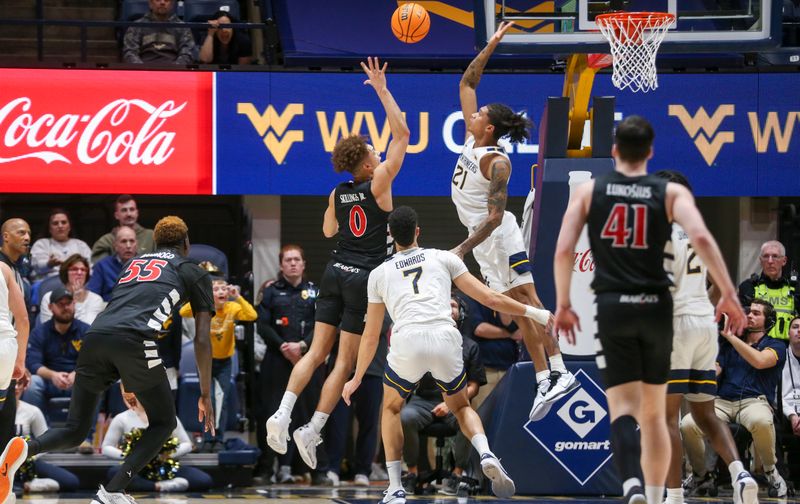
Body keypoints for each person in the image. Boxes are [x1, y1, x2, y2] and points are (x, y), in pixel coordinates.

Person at [552, 115, 746, 504]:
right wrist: (728, 293)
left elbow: (563, 250)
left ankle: (639, 489)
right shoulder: (670, 197)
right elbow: (704, 238)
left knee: (628, 410)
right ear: (651, 152)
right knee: (667, 416)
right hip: (669, 314)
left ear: (614, 151)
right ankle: (680, 489)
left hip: (617, 308)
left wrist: (563, 304)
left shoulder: (590, 191)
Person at [343, 206, 555, 504]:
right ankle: (485, 452)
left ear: (389, 235)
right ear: (418, 231)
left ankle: (394, 488)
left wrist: (356, 377)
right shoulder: (444, 257)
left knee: (391, 408)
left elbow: (370, 334)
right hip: (445, 337)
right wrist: (537, 312)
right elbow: (489, 297)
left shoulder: (378, 274)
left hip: (408, 340)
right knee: (461, 406)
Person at [0, 215, 216, 504]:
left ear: (154, 242)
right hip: (135, 341)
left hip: (95, 338)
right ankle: (113, 491)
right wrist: (205, 394)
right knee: (164, 422)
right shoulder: (193, 270)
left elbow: (124, 312)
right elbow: (202, 339)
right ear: (186, 243)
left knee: (75, 429)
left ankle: (24, 448)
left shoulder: (133, 265)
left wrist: (128, 377)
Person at [265, 56, 410, 471]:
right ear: (367, 164)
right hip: (364, 278)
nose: (378, 152)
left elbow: (329, 232)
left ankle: (282, 414)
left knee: (315, 353)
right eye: (373, 152)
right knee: (344, 362)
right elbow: (402, 133)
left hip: (334, 271)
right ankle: (312, 428)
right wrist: (382, 89)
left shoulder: (337, 191)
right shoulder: (380, 180)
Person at [450, 21, 576, 421]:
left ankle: (559, 370)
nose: (471, 114)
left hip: (496, 236)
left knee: (528, 302)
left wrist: (462, 249)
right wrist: (493, 44)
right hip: (483, 241)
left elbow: (494, 217)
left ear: (487, 128)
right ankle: (545, 379)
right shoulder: (474, 141)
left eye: (479, 115)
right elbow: (467, 84)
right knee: (519, 309)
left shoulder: (496, 162)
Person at [655, 170, 757, 504]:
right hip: (703, 329)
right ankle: (740, 473)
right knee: (705, 415)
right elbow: (718, 283)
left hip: (675, 327)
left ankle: (673, 496)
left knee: (667, 417)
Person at [680, 299, 788, 498]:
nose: (749, 316)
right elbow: (716, 370)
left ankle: (772, 472)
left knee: (761, 421)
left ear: (769, 320)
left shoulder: (776, 345)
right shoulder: (727, 344)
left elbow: (760, 361)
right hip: (721, 401)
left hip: (754, 401)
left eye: (756, 313)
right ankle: (701, 475)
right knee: (687, 424)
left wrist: (730, 337)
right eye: (748, 312)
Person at [255, 244, 327, 484]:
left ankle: (319, 471)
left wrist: (303, 346)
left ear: (304, 264)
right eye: (288, 260)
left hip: (308, 360)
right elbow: (262, 325)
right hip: (277, 360)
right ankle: (267, 469)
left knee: (314, 413)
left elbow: (323, 324)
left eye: (297, 259)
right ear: (281, 265)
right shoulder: (271, 292)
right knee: (271, 414)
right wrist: (283, 347)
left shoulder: (316, 292)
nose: (293, 263)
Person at [400, 296, 486, 495]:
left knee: (468, 418)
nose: (449, 309)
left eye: (453, 306)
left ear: (461, 313)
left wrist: (451, 404)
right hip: (423, 400)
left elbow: (473, 386)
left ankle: (456, 475)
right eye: (444, 305)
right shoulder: (423, 341)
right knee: (406, 417)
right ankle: (412, 474)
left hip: (456, 400)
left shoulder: (471, 346)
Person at [180, 276, 256, 452]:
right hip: (205, 361)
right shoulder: (203, 308)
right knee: (208, 399)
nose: (221, 292)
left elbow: (252, 315)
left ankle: (218, 439)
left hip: (224, 362)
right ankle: (207, 439)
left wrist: (238, 297)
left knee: (222, 399)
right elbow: (183, 312)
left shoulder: (233, 307)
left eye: (223, 288)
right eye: (215, 289)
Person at [24, 286, 95, 454]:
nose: (65, 307)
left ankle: (87, 438)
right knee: (33, 383)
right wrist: (53, 375)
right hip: (50, 381)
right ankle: (43, 438)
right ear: (50, 307)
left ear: (74, 304)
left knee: (96, 381)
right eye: (60, 304)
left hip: (79, 381)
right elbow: (33, 363)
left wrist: (76, 374)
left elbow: (93, 361)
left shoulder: (86, 330)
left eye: (68, 303)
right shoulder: (39, 332)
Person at [102, 392, 213, 492]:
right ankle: (158, 486)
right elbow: (106, 447)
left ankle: (157, 484)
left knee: (204, 480)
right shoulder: (121, 418)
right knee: (114, 473)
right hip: (136, 469)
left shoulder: (168, 416)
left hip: (165, 467)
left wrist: (167, 455)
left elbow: (187, 444)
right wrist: (129, 456)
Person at [0, 218, 32, 477]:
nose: (26, 236)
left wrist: (22, 361)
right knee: (4, 418)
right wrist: (19, 359)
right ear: (5, 236)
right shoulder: (5, 269)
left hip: (9, 349)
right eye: (20, 232)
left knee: (5, 419)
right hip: (7, 349)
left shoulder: (17, 271)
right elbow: (22, 320)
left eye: (29, 233)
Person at [14, 374, 80, 494]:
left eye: (20, 383)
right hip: (2, 462)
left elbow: (46, 442)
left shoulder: (32, 411)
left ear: (25, 385)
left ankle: (27, 486)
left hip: (26, 462)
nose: (16, 388)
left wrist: (29, 456)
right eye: (13, 384)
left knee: (71, 481)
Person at [738, 240, 800, 341]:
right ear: (760, 260)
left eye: (775, 256)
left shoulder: (796, 288)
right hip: (757, 347)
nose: (770, 261)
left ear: (784, 261)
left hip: (789, 349)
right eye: (766, 256)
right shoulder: (748, 287)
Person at [122, 0, 196, 65]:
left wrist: (173, 70)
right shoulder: (136, 26)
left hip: (174, 72)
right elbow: (130, 53)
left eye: (166, 0)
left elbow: (187, 54)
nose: (162, 2)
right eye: (158, 0)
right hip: (144, 71)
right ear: (150, 3)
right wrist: (143, 70)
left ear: (172, 4)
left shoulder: (182, 27)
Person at [39, 255, 106, 326]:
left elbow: (87, 327)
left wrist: (78, 303)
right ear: (65, 272)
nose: (79, 273)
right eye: (74, 269)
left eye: (83, 270)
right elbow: (47, 328)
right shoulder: (48, 297)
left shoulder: (96, 299)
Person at [29, 209, 92, 282]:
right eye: (55, 223)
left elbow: (91, 267)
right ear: (49, 228)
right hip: (49, 281)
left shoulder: (81, 245)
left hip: (78, 282)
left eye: (64, 222)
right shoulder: (41, 244)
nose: (60, 226)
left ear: (69, 227)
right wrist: (49, 264)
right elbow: (34, 268)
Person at [91, 195, 154, 263]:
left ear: (137, 213)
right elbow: (100, 268)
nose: (129, 214)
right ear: (116, 215)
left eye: (132, 209)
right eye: (124, 210)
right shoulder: (106, 241)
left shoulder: (152, 237)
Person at [88, 226, 138, 302]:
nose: (128, 246)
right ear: (115, 246)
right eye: (123, 241)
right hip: (110, 308)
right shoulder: (102, 266)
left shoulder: (147, 264)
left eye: (132, 241)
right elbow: (92, 296)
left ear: (136, 244)